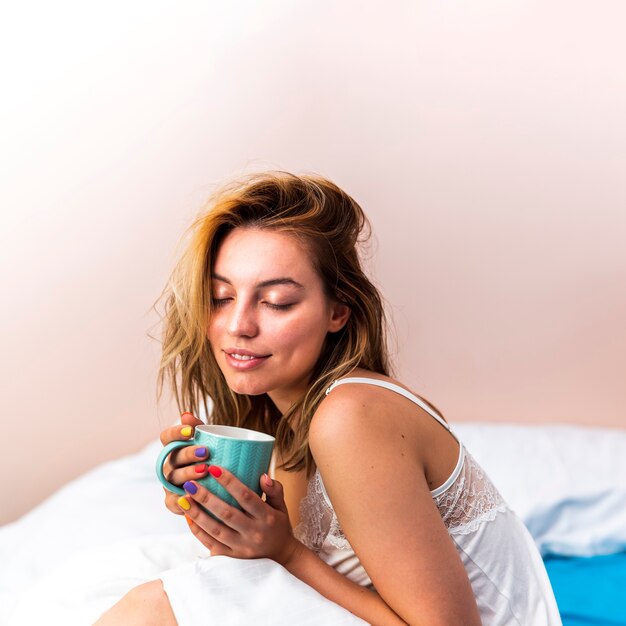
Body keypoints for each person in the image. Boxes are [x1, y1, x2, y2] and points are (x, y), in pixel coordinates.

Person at [96, 171, 562, 625]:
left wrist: (285, 552)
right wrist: (216, 511)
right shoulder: (287, 419)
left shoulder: (349, 416)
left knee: (157, 605)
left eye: (276, 301)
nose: (239, 325)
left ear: (337, 310)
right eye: (221, 297)